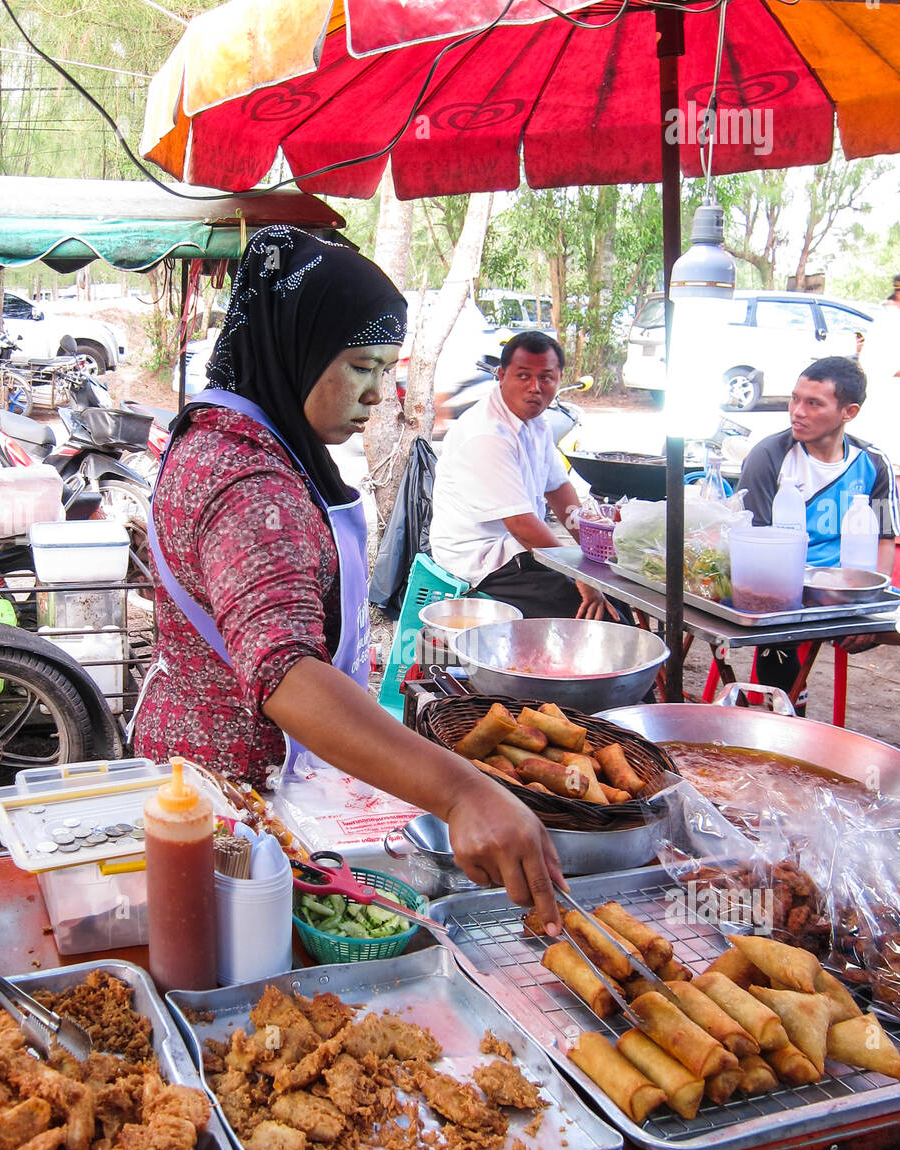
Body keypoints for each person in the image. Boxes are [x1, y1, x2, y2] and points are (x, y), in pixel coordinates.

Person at [133, 226, 562, 928]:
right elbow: (285, 674)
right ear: (298, 349)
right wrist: (461, 793)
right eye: (362, 366)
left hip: (202, 772)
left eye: (387, 369)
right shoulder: (249, 482)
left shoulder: (221, 430)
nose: (377, 396)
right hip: (231, 803)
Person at [738, 355, 900, 703]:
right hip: (786, 594)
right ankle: (789, 714)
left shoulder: (873, 462)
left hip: (849, 592)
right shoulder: (768, 456)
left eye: (814, 403)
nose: (798, 411)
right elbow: (757, 546)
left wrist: (869, 609)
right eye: (795, 399)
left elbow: (885, 540)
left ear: (849, 412)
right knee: (778, 631)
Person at [429, 331, 612, 619]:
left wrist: (594, 551)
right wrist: (580, 573)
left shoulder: (536, 421)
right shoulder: (487, 433)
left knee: (613, 596)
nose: (535, 388)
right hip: (481, 558)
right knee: (591, 614)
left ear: (559, 379)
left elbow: (558, 490)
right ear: (501, 375)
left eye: (546, 377)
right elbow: (520, 523)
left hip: (519, 548)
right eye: (523, 376)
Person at [855, 269, 900, 475]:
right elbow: (886, 365)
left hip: (899, 399)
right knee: (889, 463)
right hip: (889, 399)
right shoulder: (891, 322)